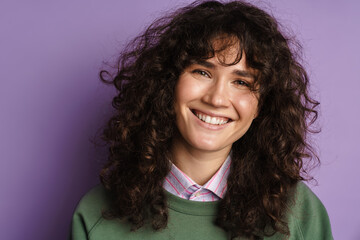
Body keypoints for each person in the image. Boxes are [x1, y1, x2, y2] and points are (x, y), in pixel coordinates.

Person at [70, 1, 333, 239]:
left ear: (262, 105)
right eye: (202, 72)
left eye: (241, 82)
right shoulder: (96, 214)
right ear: (168, 83)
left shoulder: (299, 213)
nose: (217, 98)